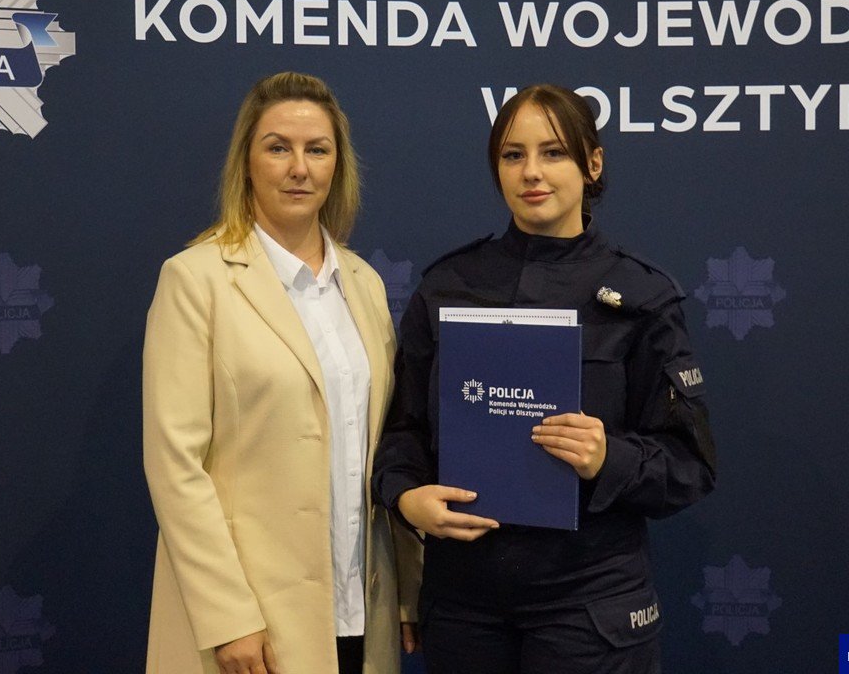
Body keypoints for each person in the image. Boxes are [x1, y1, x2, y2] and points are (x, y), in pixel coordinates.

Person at [372, 84, 717, 674]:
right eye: (513, 155)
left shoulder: (641, 296)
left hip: (590, 604)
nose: (531, 172)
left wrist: (608, 457)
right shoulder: (448, 286)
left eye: (553, 152)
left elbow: (689, 466)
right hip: (463, 606)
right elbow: (403, 430)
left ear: (593, 163)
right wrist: (406, 497)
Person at [143, 72, 421, 674]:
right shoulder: (195, 280)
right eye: (278, 148)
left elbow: (386, 448)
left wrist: (407, 587)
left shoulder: (365, 285)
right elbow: (175, 466)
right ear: (247, 162)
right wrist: (228, 616)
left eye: (317, 150)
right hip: (251, 626)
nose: (299, 168)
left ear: (337, 166)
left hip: (359, 612)